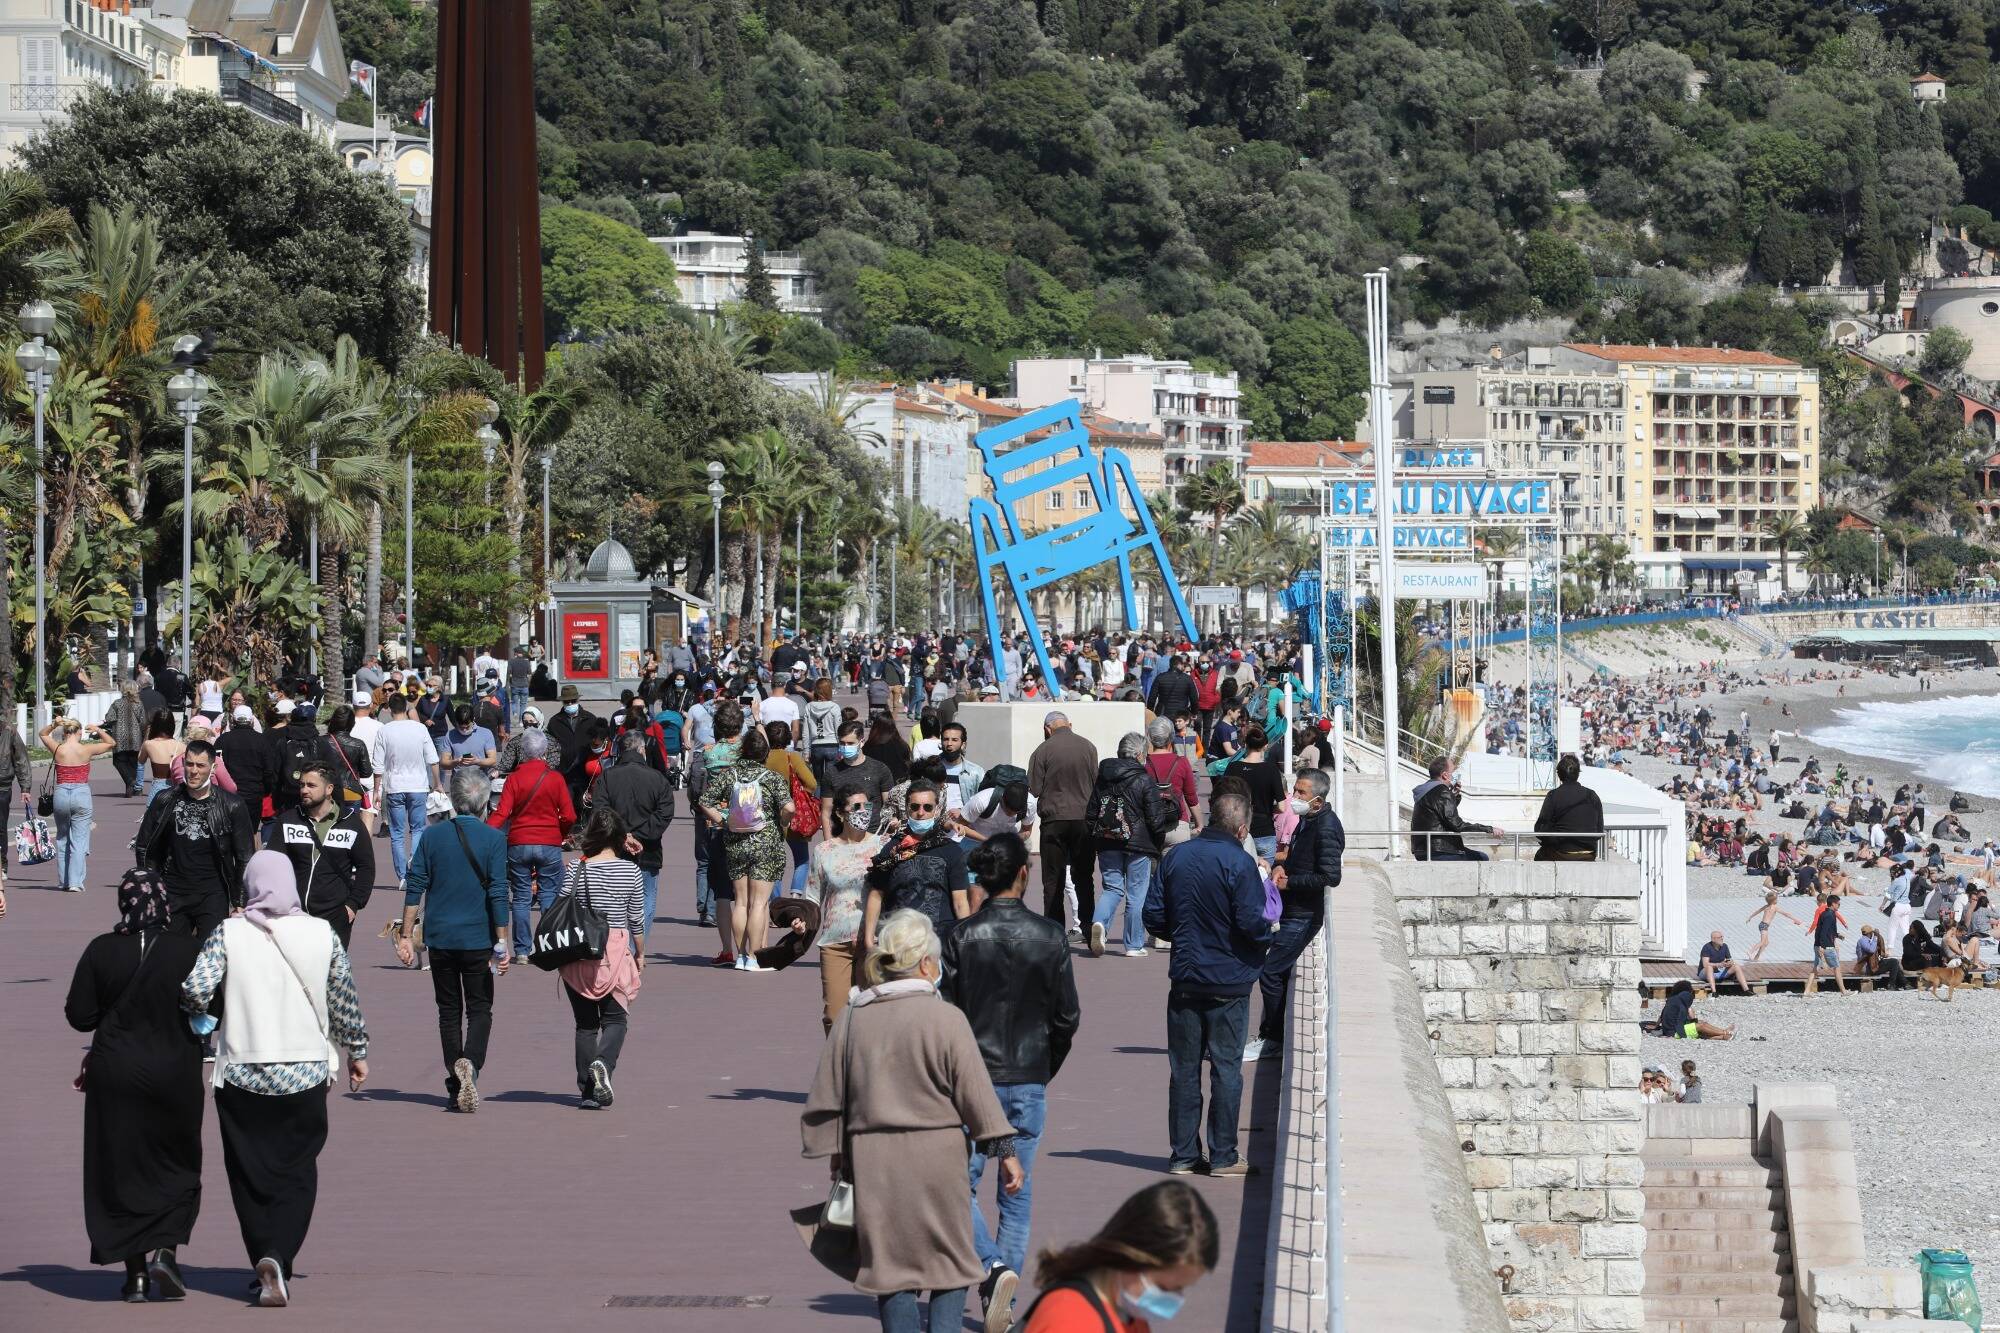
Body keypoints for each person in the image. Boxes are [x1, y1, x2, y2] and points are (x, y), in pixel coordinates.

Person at [801, 910, 1022, 1333]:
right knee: (952, 1262)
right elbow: (976, 1095)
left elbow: (832, 1092)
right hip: (938, 1158)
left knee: (892, 1268)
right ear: (925, 964)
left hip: (874, 1160)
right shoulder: (946, 1019)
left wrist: (837, 1155)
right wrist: (1006, 1153)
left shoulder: (854, 1016)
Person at [179, 851, 369, 1308]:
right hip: (304, 1070)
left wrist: (205, 1020)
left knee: (248, 1171)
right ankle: (279, 1256)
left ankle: (263, 1250)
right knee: (298, 1170)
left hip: (242, 1071)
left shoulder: (229, 932)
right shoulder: (322, 933)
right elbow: (342, 999)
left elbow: (194, 989)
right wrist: (357, 1051)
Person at [943, 833, 1081, 1329]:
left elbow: (948, 1014)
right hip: (1027, 1077)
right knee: (1016, 1195)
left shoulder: (960, 937)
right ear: (1022, 874)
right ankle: (1002, 1294)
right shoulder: (1049, 935)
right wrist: (1043, 1066)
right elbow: (1066, 1017)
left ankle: (990, 1268)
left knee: (958, 1186)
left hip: (971, 1080)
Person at [64, 869, 205, 1302]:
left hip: (116, 1072)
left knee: (120, 1166)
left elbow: (80, 1016)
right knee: (175, 1160)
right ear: (164, 903)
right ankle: (166, 1249)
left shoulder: (101, 950)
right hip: (175, 1070)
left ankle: (136, 1274)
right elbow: (209, 1003)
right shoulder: (188, 950)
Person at [1143, 788, 1269, 1177]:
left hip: (1186, 975)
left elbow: (1153, 915)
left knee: (1183, 1070)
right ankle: (1224, 1155)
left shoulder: (1175, 856)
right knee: (1226, 1069)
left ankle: (1183, 1155)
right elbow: (1251, 922)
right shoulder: (1240, 862)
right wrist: (1266, 936)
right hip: (1229, 980)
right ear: (1242, 827)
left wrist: (1182, 934)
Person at [397, 767, 508, 1110]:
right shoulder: (494, 839)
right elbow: (499, 894)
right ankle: (470, 1064)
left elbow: (415, 887)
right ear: (485, 801)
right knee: (480, 1008)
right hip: (478, 937)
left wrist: (405, 934)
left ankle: (453, 1080)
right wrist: (502, 941)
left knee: (448, 1010)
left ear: (454, 800)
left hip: (440, 936)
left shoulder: (432, 837)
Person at [1019, 1181, 1219, 1332]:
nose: (1172, 1300)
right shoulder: (1069, 1320)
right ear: (1129, 1256)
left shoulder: (1129, 1315)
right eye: (1163, 1288)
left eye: (1180, 1289)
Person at [1244, 768, 1345, 1062]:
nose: (1294, 798)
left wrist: (1291, 883)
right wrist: (1280, 868)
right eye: (1295, 791)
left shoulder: (1326, 826)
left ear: (1317, 799)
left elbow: (1330, 875)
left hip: (1303, 914)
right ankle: (1272, 1034)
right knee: (1278, 971)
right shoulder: (1308, 820)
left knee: (1271, 972)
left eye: (1300, 793)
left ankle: (1272, 1039)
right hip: (1293, 910)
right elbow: (1301, 858)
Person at [557, 808, 649, 1109]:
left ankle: (587, 1091)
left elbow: (561, 906)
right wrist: (640, 952)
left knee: (585, 1025)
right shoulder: (630, 871)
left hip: (580, 949)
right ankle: (603, 1064)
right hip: (615, 948)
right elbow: (636, 919)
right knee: (616, 1019)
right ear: (621, 836)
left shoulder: (576, 869)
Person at [137, 739, 256, 936]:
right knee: (171, 957)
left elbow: (245, 856)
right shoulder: (165, 800)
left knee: (209, 958)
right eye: (189, 764)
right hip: (172, 891)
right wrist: (150, 887)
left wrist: (239, 902)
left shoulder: (232, 805)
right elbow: (144, 846)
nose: (193, 771)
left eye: (200, 765)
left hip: (213, 894)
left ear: (213, 768)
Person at [701, 725, 794, 971]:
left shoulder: (730, 775)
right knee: (759, 903)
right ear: (764, 752)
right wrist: (782, 823)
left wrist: (724, 821)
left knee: (740, 902)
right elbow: (789, 808)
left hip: (735, 842)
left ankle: (741, 955)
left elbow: (705, 801)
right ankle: (755, 957)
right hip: (765, 842)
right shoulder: (771, 778)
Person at [485, 728, 576, 962]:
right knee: (548, 895)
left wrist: (484, 832)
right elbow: (569, 816)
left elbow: (502, 813)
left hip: (519, 842)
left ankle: (522, 951)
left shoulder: (514, 779)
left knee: (522, 897)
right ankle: (547, 946)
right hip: (549, 842)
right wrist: (560, 833)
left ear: (522, 751)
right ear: (544, 750)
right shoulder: (555, 778)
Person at [1088, 732, 1179, 958]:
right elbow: (1156, 819)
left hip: (1108, 840)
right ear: (1139, 754)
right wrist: (1155, 844)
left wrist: (1096, 838)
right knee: (1136, 894)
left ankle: (1099, 923)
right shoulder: (1144, 779)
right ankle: (1133, 944)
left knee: (1112, 888)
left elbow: (1091, 812)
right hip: (1139, 844)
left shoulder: (1103, 777)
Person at [266, 761, 375, 949]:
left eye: (311, 785)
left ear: (329, 789)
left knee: (329, 975)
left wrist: (353, 905)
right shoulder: (289, 820)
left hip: (335, 916)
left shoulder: (351, 823)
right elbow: (271, 865)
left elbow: (366, 868)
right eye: (302, 785)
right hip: (293, 915)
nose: (304, 790)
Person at [806, 787, 889, 1032]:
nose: (863, 812)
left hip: (873, 941)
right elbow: (812, 896)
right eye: (856, 807)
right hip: (835, 942)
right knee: (834, 1015)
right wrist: (802, 920)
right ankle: (837, 1065)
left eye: (868, 807)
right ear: (841, 814)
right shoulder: (824, 851)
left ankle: (864, 1066)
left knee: (871, 1015)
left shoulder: (881, 845)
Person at [864, 777, 973, 944]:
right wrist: (869, 938)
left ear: (936, 810)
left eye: (927, 807)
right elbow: (876, 895)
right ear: (907, 809)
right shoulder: (892, 849)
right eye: (915, 807)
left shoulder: (952, 851)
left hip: (938, 942)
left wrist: (965, 942)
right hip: (898, 940)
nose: (920, 813)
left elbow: (960, 902)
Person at [592, 730, 676, 933]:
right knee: (645, 899)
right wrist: (638, 835)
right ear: (641, 750)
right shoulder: (656, 778)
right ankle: (634, 949)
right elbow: (665, 813)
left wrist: (623, 835)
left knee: (613, 900)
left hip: (613, 849)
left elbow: (600, 811)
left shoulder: (607, 777)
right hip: (647, 848)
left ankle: (617, 947)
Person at [1029, 711, 1098, 938]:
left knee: (1053, 880)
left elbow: (1035, 789)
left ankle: (1055, 932)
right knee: (1084, 877)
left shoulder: (1042, 750)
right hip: (1083, 820)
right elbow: (1095, 782)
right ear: (1069, 724)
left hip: (1053, 820)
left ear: (1047, 729)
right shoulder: (1088, 747)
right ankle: (1088, 928)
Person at [40, 717, 116, 892]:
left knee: (62, 838)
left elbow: (42, 734)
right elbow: (111, 743)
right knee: (79, 841)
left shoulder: (58, 748)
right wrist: (98, 729)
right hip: (81, 793)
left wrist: (54, 724)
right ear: (79, 732)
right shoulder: (86, 749)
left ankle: (64, 881)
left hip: (61, 794)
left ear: (65, 733)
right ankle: (75, 882)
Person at [372, 694, 440, 884]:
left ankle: (402, 876)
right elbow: (433, 759)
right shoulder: (420, 729)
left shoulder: (385, 731)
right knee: (418, 829)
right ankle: (416, 863)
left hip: (395, 786)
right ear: (407, 707)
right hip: (418, 785)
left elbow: (378, 766)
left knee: (397, 833)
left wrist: (377, 791)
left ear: (389, 709)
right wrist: (438, 783)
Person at [765, 720, 819, 899]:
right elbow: (811, 783)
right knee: (801, 859)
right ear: (788, 737)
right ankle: (795, 896)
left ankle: (775, 903)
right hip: (793, 816)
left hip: (767, 818)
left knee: (774, 862)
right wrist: (800, 794)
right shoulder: (792, 757)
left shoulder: (761, 758)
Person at [1410, 756, 1501, 861]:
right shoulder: (1442, 791)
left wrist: (1453, 796)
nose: (1455, 776)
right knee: (1482, 857)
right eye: (1453, 772)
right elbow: (1457, 825)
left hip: (1421, 851)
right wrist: (1489, 829)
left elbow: (1440, 814)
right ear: (1445, 775)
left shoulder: (1425, 791)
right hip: (1440, 850)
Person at [1224, 724, 1285, 861]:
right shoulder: (1271, 769)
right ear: (1265, 745)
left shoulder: (1233, 768)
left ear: (1245, 744)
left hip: (1237, 829)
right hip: (1264, 829)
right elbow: (1282, 807)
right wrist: (1267, 808)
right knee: (1265, 877)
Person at [824, 718, 894, 832]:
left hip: (874, 835)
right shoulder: (831, 772)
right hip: (843, 837)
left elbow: (889, 806)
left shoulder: (880, 769)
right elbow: (826, 813)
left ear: (861, 742)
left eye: (850, 743)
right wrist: (828, 844)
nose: (846, 747)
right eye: (842, 743)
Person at [1533, 754, 1603, 861]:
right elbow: (1599, 831)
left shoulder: (1553, 795)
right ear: (1578, 774)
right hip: (1589, 853)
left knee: (1540, 856)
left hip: (1561, 852)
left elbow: (1540, 829)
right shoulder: (1592, 795)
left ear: (1559, 775)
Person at [106, 680, 149, 798]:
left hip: (120, 738)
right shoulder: (138, 704)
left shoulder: (117, 703)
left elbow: (109, 718)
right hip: (135, 738)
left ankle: (130, 782)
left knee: (118, 761)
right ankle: (132, 788)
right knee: (133, 763)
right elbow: (143, 722)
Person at [1653, 979, 1732, 1040]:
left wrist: (1655, 1026)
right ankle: (1725, 1032)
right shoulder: (1683, 1006)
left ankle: (1723, 1035)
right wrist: (1692, 1016)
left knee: (1702, 1024)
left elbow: (1662, 1015)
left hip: (1671, 1030)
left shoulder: (1672, 1000)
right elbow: (1690, 1020)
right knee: (1701, 1026)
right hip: (1676, 1032)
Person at [1808, 893, 1848, 994]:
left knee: (1815, 969)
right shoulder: (1830, 915)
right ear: (1833, 904)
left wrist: (1837, 935)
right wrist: (1822, 946)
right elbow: (1823, 932)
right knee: (1837, 968)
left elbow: (1826, 930)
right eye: (1838, 904)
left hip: (1818, 944)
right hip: (1827, 946)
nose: (1839, 906)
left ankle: (1806, 992)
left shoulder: (1825, 913)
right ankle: (1844, 992)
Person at [1696, 931, 1748, 995]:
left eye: (1722, 937)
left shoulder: (1725, 946)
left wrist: (1729, 963)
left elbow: (1730, 960)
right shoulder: (1707, 947)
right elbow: (1705, 964)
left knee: (1736, 966)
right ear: (1713, 939)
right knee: (1709, 967)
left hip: (1719, 972)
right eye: (1720, 937)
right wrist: (1718, 965)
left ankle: (1746, 990)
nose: (1722, 938)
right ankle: (1714, 992)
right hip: (1706, 973)